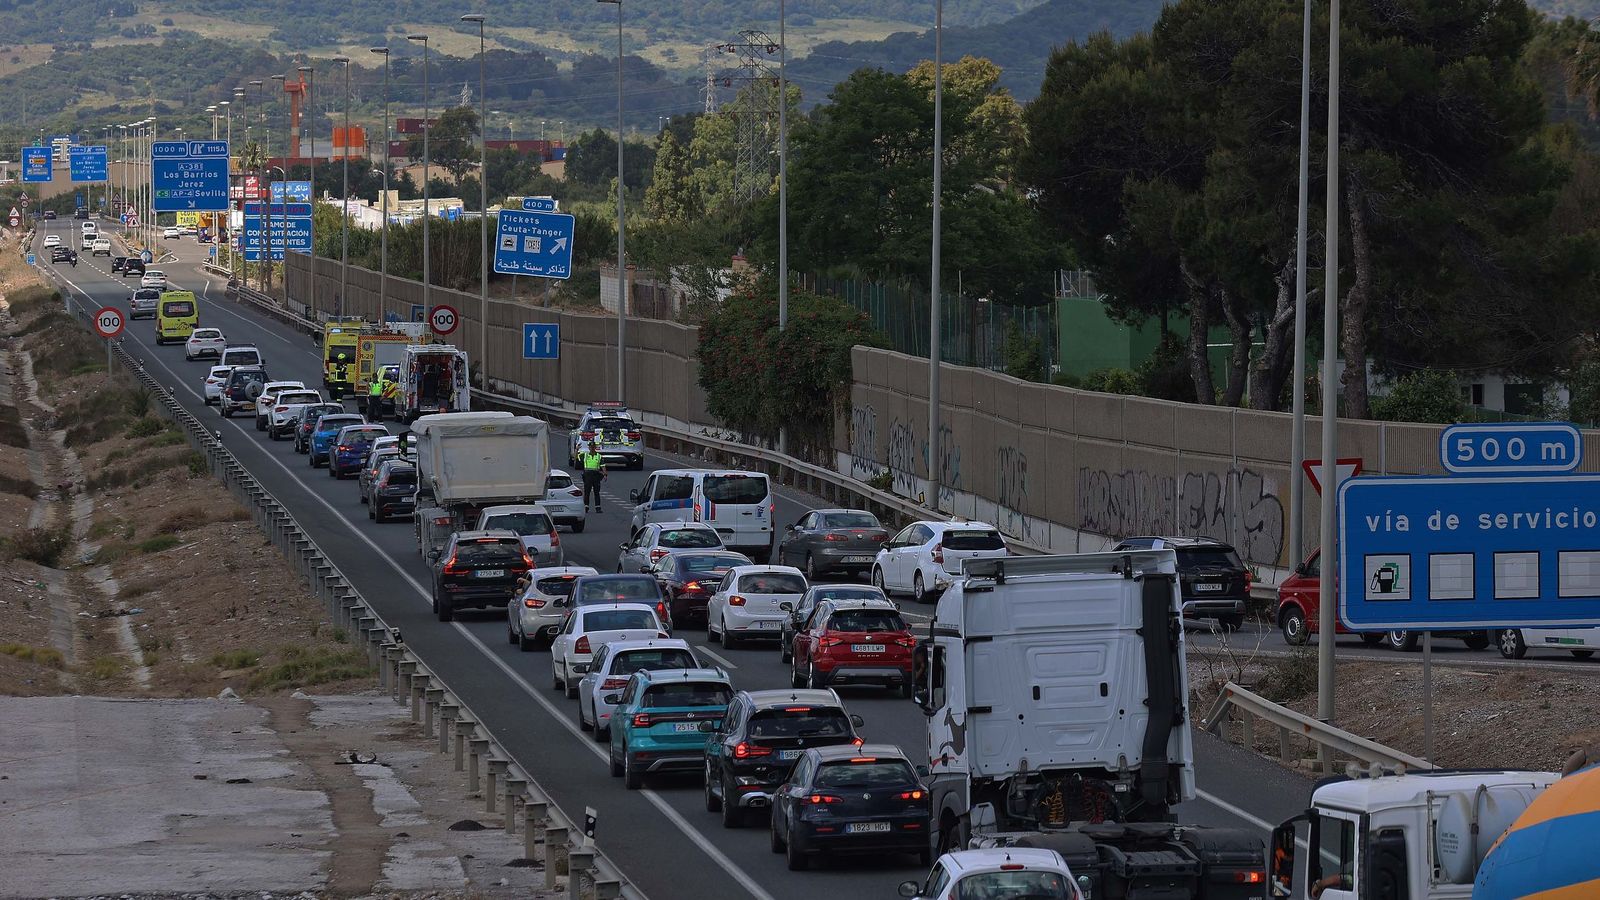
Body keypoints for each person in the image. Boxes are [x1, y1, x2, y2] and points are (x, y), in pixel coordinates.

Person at [580, 441, 606, 513]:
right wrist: (576, 450)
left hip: (596, 475)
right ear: (589, 447)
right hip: (587, 475)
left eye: (593, 447)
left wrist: (605, 474)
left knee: (596, 492)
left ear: (595, 447)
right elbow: (576, 458)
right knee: (587, 492)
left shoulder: (599, 456)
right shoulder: (585, 455)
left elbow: (603, 466)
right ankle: (586, 507)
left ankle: (598, 508)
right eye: (590, 447)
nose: (592, 448)